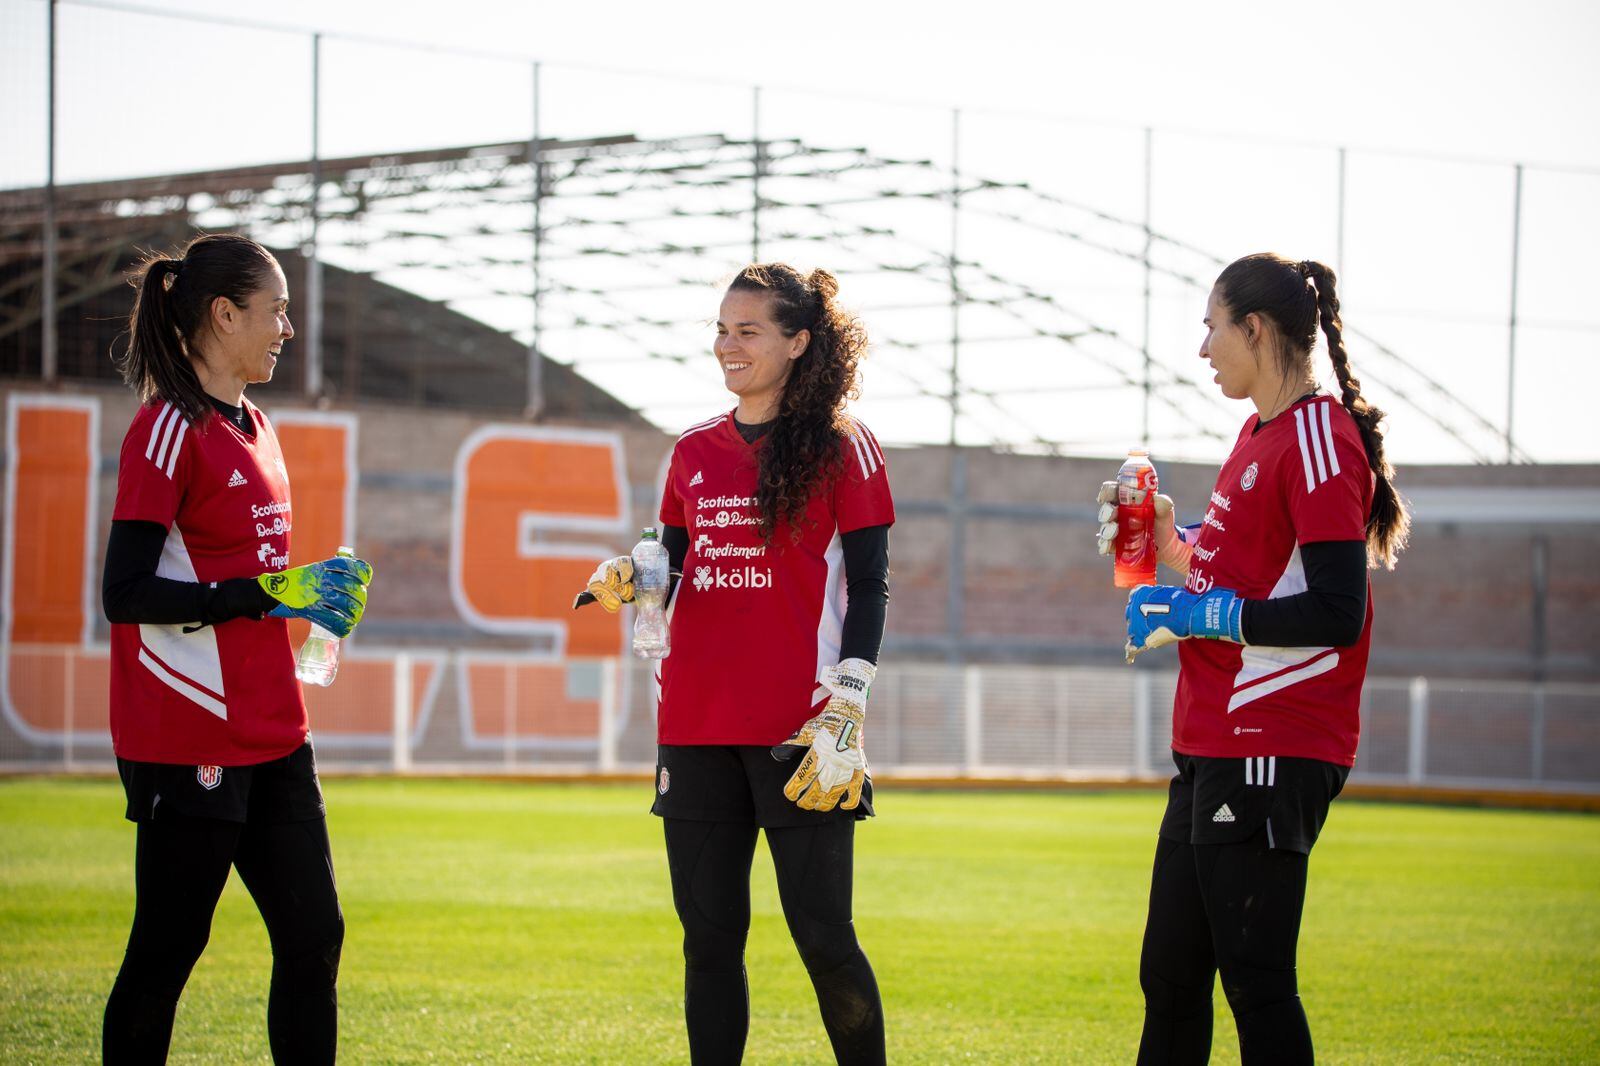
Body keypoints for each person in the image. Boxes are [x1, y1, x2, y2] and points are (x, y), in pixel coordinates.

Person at [1099, 252, 1409, 1065]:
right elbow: (1244, 568)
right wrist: (1171, 543)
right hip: (1211, 741)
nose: (1203, 347)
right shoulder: (1256, 433)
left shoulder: (1319, 438)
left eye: (1212, 328)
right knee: (1170, 978)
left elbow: (1338, 610)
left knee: (1256, 982)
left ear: (1256, 329)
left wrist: (1202, 614)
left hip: (1271, 739)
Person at [580, 264, 894, 1064]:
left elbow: (869, 584)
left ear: (799, 342)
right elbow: (669, 567)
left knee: (825, 940)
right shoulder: (691, 450)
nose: (729, 345)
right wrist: (632, 576)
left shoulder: (844, 445)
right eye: (722, 329)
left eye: (748, 331)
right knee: (709, 943)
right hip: (694, 724)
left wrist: (850, 701)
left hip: (803, 730)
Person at [100, 233, 374, 1064]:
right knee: (168, 951)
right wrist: (263, 593)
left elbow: (252, 576)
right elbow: (125, 594)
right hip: (188, 731)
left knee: (314, 935)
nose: (287, 328)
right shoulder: (165, 428)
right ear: (224, 314)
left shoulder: (257, 424)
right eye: (276, 310)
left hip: (275, 728)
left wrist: (314, 595)